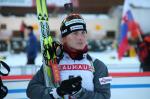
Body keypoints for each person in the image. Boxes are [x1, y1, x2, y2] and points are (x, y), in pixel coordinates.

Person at [26, 13, 111, 99]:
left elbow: (105, 96)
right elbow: (31, 90)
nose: (80, 37)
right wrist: (57, 92)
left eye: (83, 32)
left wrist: (80, 93)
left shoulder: (98, 65)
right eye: (75, 33)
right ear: (64, 38)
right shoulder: (54, 62)